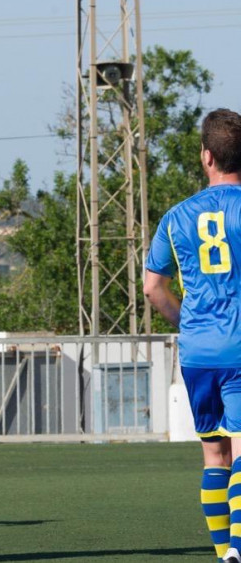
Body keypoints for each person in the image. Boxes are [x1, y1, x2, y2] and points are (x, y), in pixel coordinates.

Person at [143, 108, 241, 563]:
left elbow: (152, 288)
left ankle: (224, 553)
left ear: (206, 156)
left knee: (213, 456)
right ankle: (239, 550)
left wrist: (189, 324)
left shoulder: (176, 217)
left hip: (198, 349)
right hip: (240, 345)